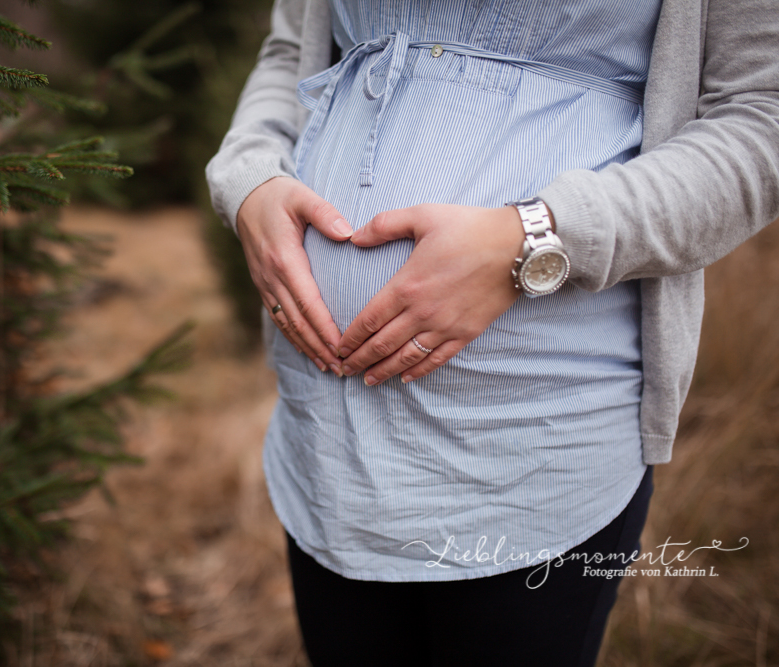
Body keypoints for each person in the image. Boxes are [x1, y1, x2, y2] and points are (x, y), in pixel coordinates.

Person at [206, 1, 779, 665]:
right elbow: (288, 54)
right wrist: (249, 181)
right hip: (325, 438)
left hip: (537, 450)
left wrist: (535, 235)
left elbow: (762, 120)